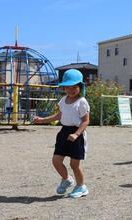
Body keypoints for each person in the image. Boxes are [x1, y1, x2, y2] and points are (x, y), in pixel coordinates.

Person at [34, 69, 90, 198]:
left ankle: (81, 187)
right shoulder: (63, 100)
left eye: (74, 87)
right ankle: (66, 179)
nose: (71, 90)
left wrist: (76, 134)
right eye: (68, 87)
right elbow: (59, 116)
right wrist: (42, 120)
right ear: (64, 87)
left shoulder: (82, 102)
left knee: (74, 164)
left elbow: (86, 121)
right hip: (64, 132)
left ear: (80, 87)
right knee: (56, 161)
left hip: (77, 134)